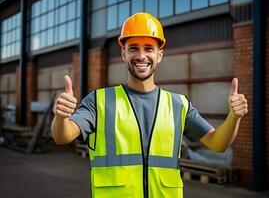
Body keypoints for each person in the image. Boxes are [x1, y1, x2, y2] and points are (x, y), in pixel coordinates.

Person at [51, 12, 248, 198]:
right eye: (134, 48)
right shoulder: (99, 101)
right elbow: (62, 136)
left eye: (149, 48)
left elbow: (218, 143)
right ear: (123, 53)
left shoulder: (178, 105)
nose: (141, 56)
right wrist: (61, 116)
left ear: (159, 55)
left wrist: (234, 116)